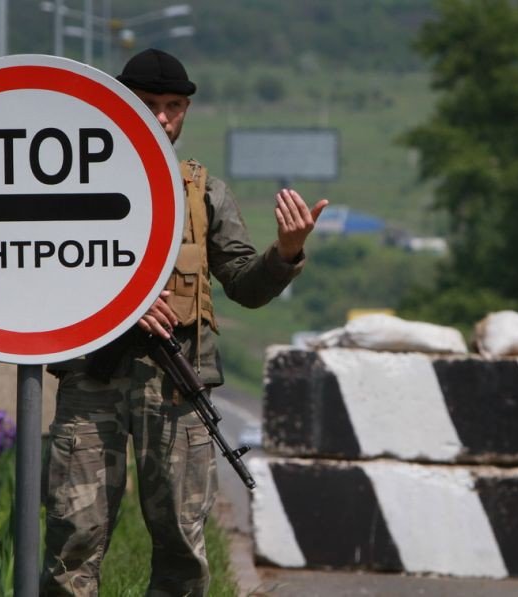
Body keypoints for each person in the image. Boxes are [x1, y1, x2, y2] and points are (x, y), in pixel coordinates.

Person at [40, 48, 329, 596]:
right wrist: (120, 303)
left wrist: (285, 253)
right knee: (73, 540)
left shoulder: (203, 193)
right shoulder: (71, 182)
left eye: (174, 106)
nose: (162, 118)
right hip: (90, 381)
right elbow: (43, 266)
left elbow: (244, 285)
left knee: (182, 547)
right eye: (149, 104)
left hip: (176, 387)